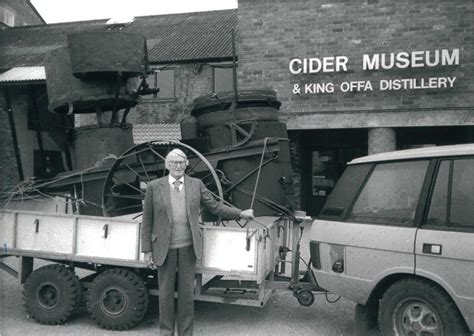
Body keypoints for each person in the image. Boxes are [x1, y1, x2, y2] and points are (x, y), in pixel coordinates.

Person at [141, 148, 254, 336]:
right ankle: (166, 333)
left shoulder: (196, 184)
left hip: (188, 248)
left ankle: (186, 333)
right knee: (166, 295)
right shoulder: (154, 186)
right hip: (164, 248)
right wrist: (147, 250)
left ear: (186, 164)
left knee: (186, 296)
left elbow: (215, 206)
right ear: (167, 165)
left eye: (182, 162)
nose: (178, 165)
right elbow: (147, 220)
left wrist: (240, 213)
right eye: (174, 162)